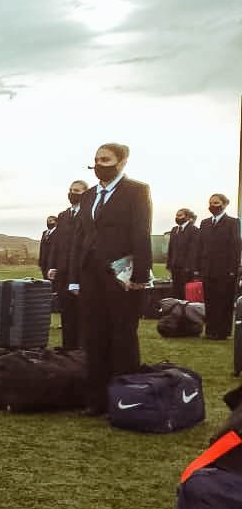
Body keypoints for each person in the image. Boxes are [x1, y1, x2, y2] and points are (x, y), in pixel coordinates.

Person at [67, 143, 152, 415]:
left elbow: (141, 233)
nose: (99, 164)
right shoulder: (90, 195)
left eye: (106, 159)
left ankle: (125, 399)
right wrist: (75, 277)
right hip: (91, 273)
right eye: (96, 159)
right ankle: (96, 399)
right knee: (94, 335)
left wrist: (140, 274)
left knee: (122, 335)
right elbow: (80, 238)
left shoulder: (137, 191)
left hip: (121, 275)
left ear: (122, 161)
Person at [46, 180, 89, 350]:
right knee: (66, 310)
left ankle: (82, 349)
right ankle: (68, 348)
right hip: (63, 271)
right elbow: (57, 244)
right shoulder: (63, 216)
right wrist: (52, 265)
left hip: (82, 270)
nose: (72, 193)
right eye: (71, 190)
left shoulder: (89, 214)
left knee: (82, 311)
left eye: (77, 190)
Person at [197, 194, 241, 340]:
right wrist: (199, 267)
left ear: (225, 204)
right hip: (207, 270)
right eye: (210, 202)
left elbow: (235, 247)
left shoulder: (233, 223)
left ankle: (222, 331)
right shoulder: (204, 223)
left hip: (225, 270)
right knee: (210, 301)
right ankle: (210, 330)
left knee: (224, 300)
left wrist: (233, 269)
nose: (212, 205)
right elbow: (200, 247)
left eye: (216, 202)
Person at [166, 208, 198, 300]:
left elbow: (193, 251)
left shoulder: (194, 230)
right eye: (176, 215)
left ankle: (185, 312)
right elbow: (171, 248)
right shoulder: (174, 229)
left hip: (186, 269)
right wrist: (169, 264)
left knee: (185, 292)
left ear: (187, 217)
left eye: (180, 215)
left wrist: (189, 267)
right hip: (175, 267)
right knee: (175, 291)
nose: (177, 217)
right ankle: (177, 312)